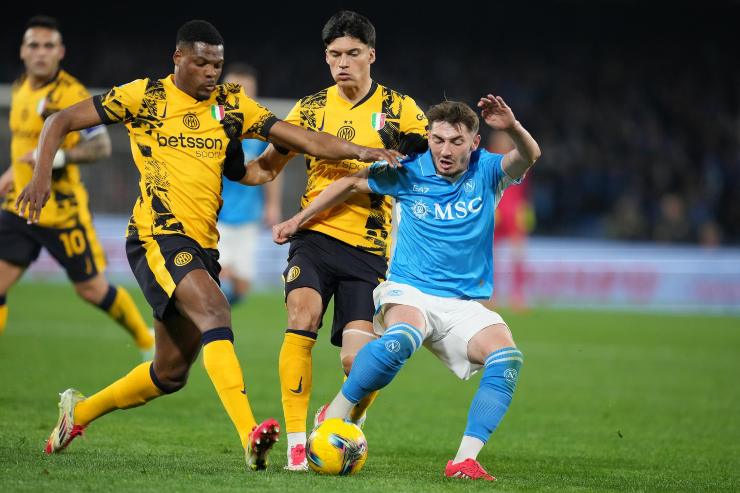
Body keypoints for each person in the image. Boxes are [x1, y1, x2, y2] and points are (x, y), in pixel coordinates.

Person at [15, 19, 402, 471]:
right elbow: (60, 120)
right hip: (157, 234)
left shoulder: (231, 105)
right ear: (177, 58)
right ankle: (250, 437)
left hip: (203, 244)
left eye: (216, 64)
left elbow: (301, 138)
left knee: (169, 372)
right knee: (217, 311)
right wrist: (41, 175)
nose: (210, 72)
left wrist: (360, 151)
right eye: (200, 63)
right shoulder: (145, 96)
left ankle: (79, 413)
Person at [273, 96, 541, 480]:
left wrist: (512, 126)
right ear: (428, 138)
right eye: (438, 140)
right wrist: (297, 220)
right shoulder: (408, 170)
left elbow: (530, 155)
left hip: (462, 303)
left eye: (456, 142)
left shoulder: (488, 171)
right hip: (408, 290)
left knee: (507, 358)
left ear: (475, 142)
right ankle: (334, 415)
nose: (445, 151)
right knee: (403, 336)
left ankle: (464, 460)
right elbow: (350, 182)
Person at [240, 10, 428, 470]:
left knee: (358, 364)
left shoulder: (401, 110)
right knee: (301, 315)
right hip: (314, 236)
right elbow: (265, 169)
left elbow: (429, 164)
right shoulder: (308, 110)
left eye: (352, 54)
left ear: (371, 55)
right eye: (334, 55)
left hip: (369, 248)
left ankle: (342, 421)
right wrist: (226, 166)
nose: (342, 63)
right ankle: (297, 446)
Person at [0, 15, 154, 359]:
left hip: (62, 214)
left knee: (92, 290)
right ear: (23, 51)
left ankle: (146, 340)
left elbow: (101, 146)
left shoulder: (71, 94)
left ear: (61, 52)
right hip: (20, 207)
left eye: (49, 46)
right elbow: (25, 147)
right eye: (34, 45)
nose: (41, 52)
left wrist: (53, 159)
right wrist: (10, 175)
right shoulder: (21, 87)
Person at [217, 63, 282, 305]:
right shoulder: (212, 122)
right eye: (236, 89)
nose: (241, 96)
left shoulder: (262, 127)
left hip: (248, 216)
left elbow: (273, 166)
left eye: (247, 91)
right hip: (216, 214)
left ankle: (213, 316)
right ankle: (207, 318)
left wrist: (272, 205)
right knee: (217, 273)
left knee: (242, 286)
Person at [487, 130, 534, 311]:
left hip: (513, 213)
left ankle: (518, 295)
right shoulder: (488, 159)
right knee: (489, 255)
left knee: (518, 255)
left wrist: (524, 207)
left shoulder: (518, 159)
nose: (503, 144)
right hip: (495, 211)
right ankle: (491, 294)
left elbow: (523, 189)